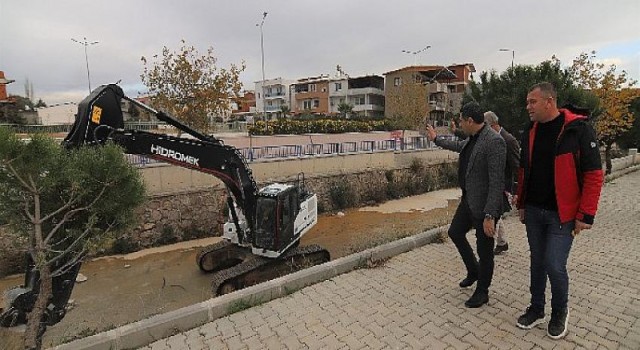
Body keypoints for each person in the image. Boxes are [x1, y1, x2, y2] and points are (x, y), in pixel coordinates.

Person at [515, 82, 604, 339]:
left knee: (554, 264)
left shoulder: (578, 130)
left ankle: (559, 312)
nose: (528, 106)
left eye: (532, 101)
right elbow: (524, 171)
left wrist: (585, 215)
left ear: (549, 101)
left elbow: (594, 175)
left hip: (562, 215)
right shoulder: (529, 131)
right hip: (533, 210)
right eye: (527, 102)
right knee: (537, 262)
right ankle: (537, 308)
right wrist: (521, 204)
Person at [426, 101, 507, 308]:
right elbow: (458, 146)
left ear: (470, 121)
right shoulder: (472, 138)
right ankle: (473, 270)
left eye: (462, 120)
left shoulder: (494, 141)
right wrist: (437, 139)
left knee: (485, 252)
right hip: (468, 201)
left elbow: (497, 181)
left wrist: (490, 215)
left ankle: (482, 291)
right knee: (455, 232)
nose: (460, 124)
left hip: (484, 208)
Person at [484, 111, 520, 255]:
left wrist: (517, 191)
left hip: (504, 186)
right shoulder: (490, 139)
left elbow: (517, 167)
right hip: (494, 184)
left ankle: (487, 251)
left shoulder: (509, 140)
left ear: (493, 125)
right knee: (497, 215)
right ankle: (502, 243)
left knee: (494, 215)